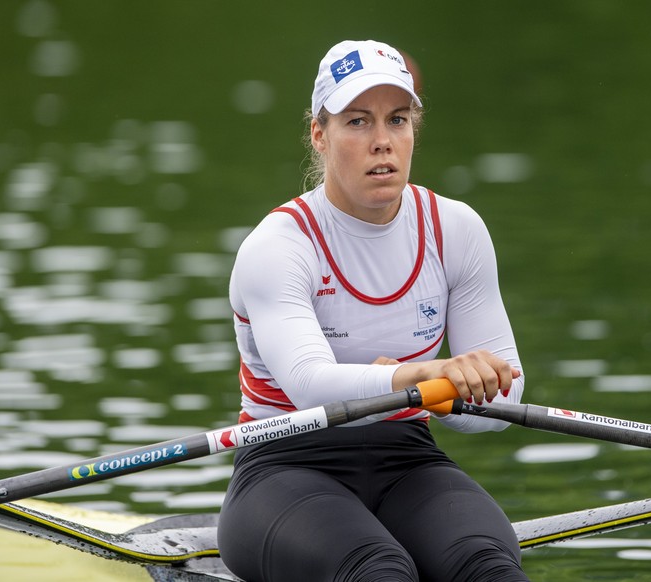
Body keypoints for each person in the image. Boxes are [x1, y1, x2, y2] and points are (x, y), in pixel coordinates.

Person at [219, 39, 529, 582]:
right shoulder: (279, 246)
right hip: (285, 464)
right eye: (358, 122)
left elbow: (504, 401)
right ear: (320, 135)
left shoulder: (455, 230)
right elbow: (311, 386)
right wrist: (424, 374)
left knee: (488, 568)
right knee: (380, 571)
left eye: (398, 120)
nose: (382, 142)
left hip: (408, 460)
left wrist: (473, 387)